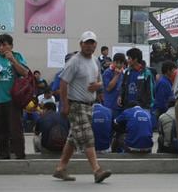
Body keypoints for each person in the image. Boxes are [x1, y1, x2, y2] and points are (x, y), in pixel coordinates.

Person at [53, 31, 111, 183]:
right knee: (87, 136)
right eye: (86, 42)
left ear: (95, 45)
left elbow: (100, 81)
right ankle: (97, 170)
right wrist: (65, 105)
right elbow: (63, 82)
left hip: (89, 105)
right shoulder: (74, 61)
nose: (89, 46)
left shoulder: (95, 61)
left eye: (92, 43)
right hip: (76, 105)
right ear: (81, 44)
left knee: (73, 139)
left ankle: (60, 168)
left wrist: (98, 86)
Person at [101, 53, 126, 118]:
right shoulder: (107, 72)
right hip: (109, 106)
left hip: (120, 107)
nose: (118, 65)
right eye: (116, 62)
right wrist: (116, 75)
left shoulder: (124, 73)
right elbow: (108, 88)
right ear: (113, 62)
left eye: (121, 63)